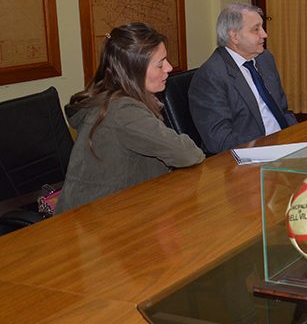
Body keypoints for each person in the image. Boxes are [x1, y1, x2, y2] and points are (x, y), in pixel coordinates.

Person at [57, 23, 205, 213]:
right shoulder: (124, 112)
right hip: (94, 219)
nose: (169, 68)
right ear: (134, 70)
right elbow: (188, 154)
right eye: (160, 63)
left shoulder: (116, 100)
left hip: (111, 208)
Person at [189, 3, 297, 154]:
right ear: (234, 36)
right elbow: (220, 140)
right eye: (256, 29)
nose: (264, 34)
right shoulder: (211, 76)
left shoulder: (265, 58)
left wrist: (298, 136)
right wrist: (268, 148)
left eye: (262, 27)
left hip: (285, 144)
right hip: (250, 156)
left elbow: (283, 110)